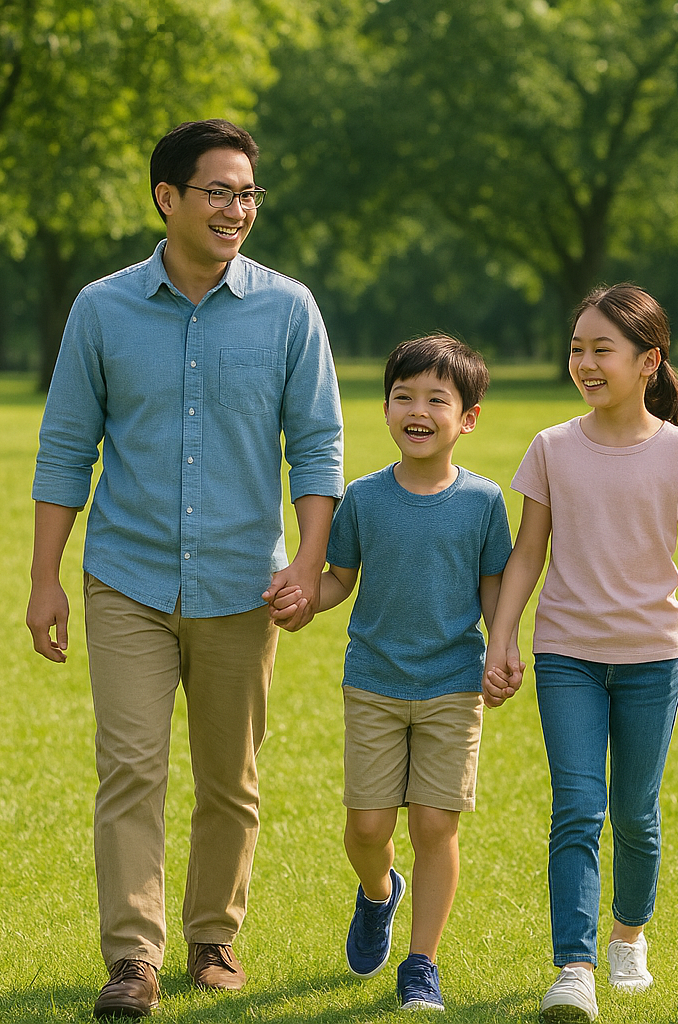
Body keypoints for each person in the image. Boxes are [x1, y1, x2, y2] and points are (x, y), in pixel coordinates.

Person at [25, 119, 344, 1018]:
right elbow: (63, 450)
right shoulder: (101, 308)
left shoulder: (289, 309)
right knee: (129, 766)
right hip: (125, 575)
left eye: (248, 193)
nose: (237, 209)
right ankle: (132, 959)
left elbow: (317, 446)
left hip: (244, 581)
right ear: (168, 198)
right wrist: (45, 578)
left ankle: (213, 938)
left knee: (229, 776)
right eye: (219, 191)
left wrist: (310, 563)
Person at [482, 283, 678, 1023]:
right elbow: (527, 555)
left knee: (636, 814)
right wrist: (503, 636)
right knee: (578, 809)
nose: (584, 363)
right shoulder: (553, 447)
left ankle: (628, 936)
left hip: (654, 659)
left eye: (602, 350)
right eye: (577, 348)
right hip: (568, 655)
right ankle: (575, 968)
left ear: (649, 361)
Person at [268, 334, 512, 1012]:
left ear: (467, 418)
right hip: (374, 682)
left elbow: (494, 589)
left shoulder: (484, 502)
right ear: (384, 408)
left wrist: (503, 647)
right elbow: (338, 579)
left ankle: (421, 962)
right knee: (369, 828)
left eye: (438, 399)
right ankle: (379, 893)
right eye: (404, 395)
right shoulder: (365, 498)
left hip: (453, 683)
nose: (418, 409)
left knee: (436, 824)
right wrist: (301, 597)